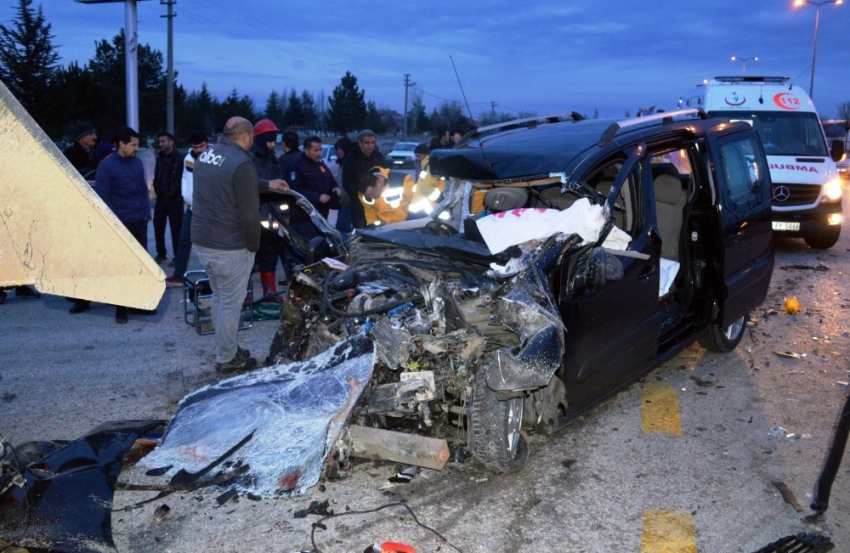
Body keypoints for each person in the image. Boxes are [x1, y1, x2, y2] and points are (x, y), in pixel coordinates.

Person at [191, 117, 288, 374]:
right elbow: (248, 214)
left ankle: (229, 347)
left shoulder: (208, 155)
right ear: (246, 137)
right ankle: (226, 359)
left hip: (203, 241)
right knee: (231, 304)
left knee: (219, 297)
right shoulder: (243, 163)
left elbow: (231, 184)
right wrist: (253, 246)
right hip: (229, 245)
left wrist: (267, 184)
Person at [90, 126, 155, 324]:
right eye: (133, 144)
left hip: (139, 222)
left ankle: (138, 304)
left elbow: (143, 191)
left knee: (140, 265)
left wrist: (146, 214)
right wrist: (114, 223)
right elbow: (102, 197)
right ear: (121, 144)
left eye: (138, 144)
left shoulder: (137, 164)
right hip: (120, 223)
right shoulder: (107, 167)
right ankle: (121, 308)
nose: (137, 148)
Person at [251, 119, 289, 299]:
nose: (273, 144)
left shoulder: (272, 159)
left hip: (271, 215)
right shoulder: (249, 159)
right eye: (270, 140)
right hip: (252, 215)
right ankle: (244, 295)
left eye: (274, 140)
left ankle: (270, 292)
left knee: (270, 254)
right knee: (249, 259)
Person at [164, 131, 208, 287]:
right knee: (184, 241)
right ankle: (178, 275)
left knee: (207, 245)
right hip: (191, 208)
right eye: (195, 147)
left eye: (201, 146)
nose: (198, 150)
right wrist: (185, 195)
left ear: (207, 143)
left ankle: (210, 278)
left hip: (208, 210)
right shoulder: (188, 159)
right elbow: (185, 178)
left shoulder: (213, 159)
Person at [290, 135, 341, 238]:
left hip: (322, 216)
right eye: (315, 150)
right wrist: (318, 197)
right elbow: (296, 192)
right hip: (305, 218)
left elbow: (331, 182)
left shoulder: (321, 166)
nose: (319, 153)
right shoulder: (297, 167)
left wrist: (335, 189)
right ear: (306, 150)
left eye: (320, 150)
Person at [341, 130, 389, 229]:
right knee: (362, 234)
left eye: (373, 142)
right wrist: (363, 195)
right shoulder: (351, 159)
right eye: (367, 143)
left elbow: (386, 175)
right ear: (360, 143)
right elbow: (347, 183)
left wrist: (380, 189)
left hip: (379, 204)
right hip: (359, 206)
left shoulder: (378, 157)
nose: (370, 146)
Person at [152, 132, 184, 264]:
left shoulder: (180, 158)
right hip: (161, 197)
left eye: (163, 141)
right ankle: (161, 254)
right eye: (160, 141)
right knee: (158, 227)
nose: (161, 144)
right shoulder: (160, 158)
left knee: (176, 230)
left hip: (175, 199)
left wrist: (177, 191)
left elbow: (183, 178)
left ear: (171, 142)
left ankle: (178, 257)